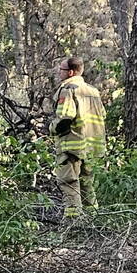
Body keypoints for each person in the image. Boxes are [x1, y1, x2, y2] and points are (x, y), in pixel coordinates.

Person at [50, 56, 106, 218]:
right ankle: (93, 220)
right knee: (87, 184)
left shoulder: (68, 89)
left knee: (69, 183)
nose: (59, 72)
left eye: (61, 69)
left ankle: (74, 222)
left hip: (72, 146)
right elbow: (102, 115)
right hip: (93, 146)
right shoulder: (93, 91)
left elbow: (65, 117)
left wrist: (51, 128)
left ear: (71, 72)